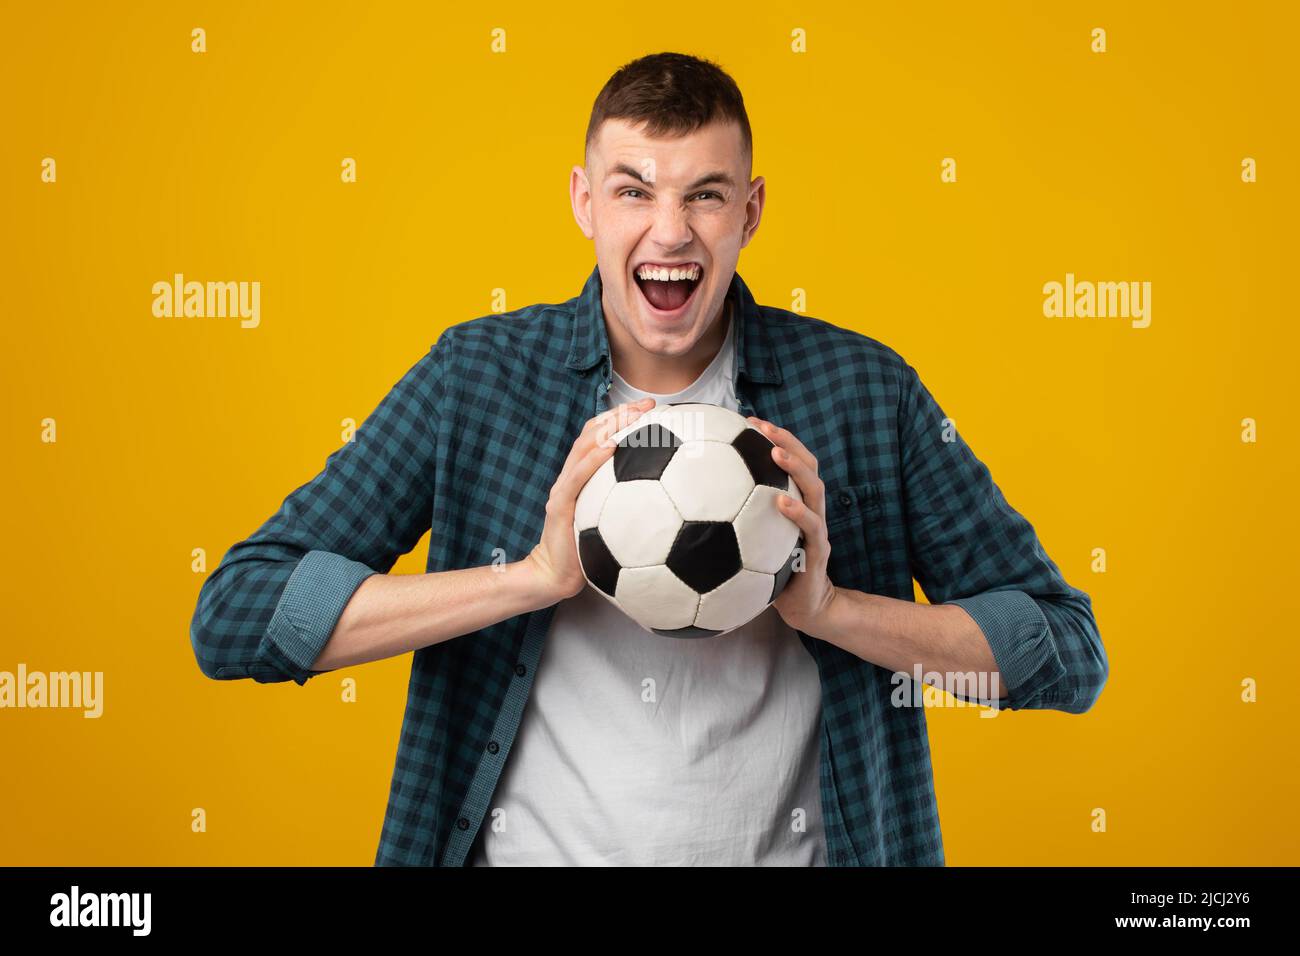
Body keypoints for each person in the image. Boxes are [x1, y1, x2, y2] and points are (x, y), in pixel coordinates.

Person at [189, 51, 1107, 867]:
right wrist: (531, 580)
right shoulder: (476, 378)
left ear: (749, 212)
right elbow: (235, 618)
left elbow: (1066, 654)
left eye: (705, 194)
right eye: (634, 190)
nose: (670, 232)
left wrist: (835, 612)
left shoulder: (865, 390)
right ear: (585, 202)